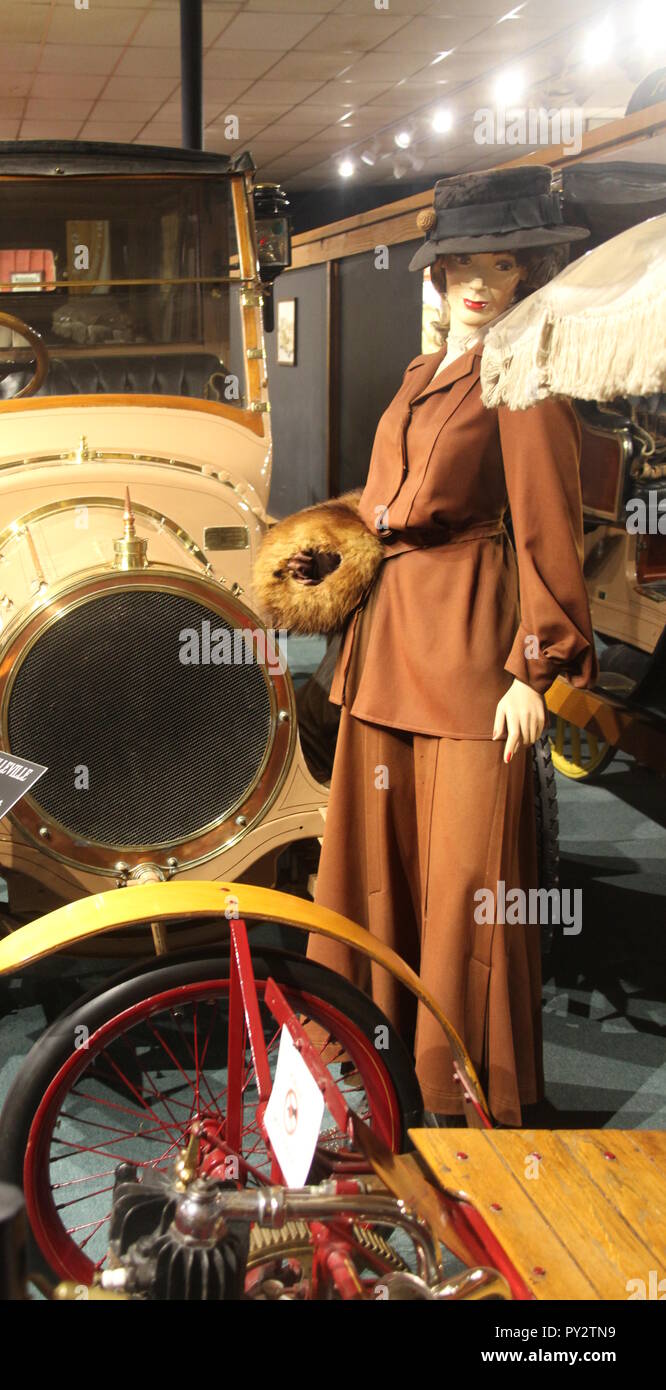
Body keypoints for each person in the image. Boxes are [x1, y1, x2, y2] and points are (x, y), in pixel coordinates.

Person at [261, 167, 597, 1127]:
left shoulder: (523, 384)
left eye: (504, 264)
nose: (482, 283)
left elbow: (545, 531)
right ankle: (364, 1066)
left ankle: (466, 1094)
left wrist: (538, 668)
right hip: (387, 647)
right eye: (463, 266)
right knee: (373, 870)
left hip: (470, 660)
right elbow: (381, 507)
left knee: (465, 885)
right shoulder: (418, 379)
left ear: (526, 271)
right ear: (438, 273)